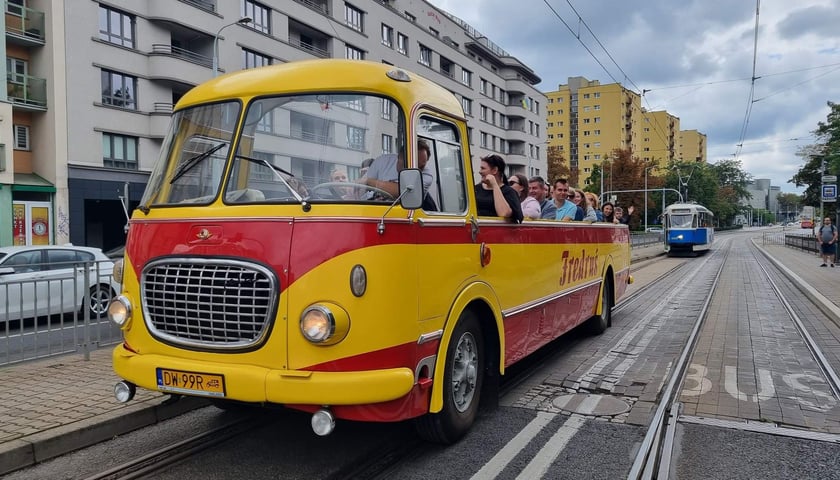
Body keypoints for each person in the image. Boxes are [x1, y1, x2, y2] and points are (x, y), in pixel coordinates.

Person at [359, 139, 437, 209]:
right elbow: (361, 189)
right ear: (399, 157)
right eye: (413, 165)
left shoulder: (426, 175)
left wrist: (369, 181)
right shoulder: (383, 161)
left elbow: (402, 191)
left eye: (421, 166)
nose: (418, 169)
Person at [474, 154, 523, 222]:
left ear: (495, 170)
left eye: (483, 168)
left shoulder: (509, 192)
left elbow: (504, 213)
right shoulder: (476, 189)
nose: (480, 171)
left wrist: (494, 185)